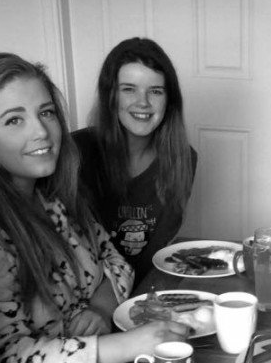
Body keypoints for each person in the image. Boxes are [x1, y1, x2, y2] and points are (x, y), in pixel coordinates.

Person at [0, 53, 188, 363]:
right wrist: (124, 346)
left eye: (46, 113)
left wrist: (102, 309)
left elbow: (115, 261)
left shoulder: (53, 197)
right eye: (14, 120)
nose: (41, 131)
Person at [73, 37, 197, 288]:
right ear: (110, 96)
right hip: (87, 297)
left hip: (143, 291)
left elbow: (155, 253)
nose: (143, 102)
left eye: (155, 91)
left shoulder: (184, 158)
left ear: (169, 101)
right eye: (129, 89)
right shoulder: (75, 152)